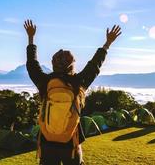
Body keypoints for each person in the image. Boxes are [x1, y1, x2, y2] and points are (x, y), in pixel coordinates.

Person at [25, 19, 121, 165]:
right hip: (71, 142)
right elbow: (94, 65)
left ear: (53, 64)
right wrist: (107, 43)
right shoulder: (78, 83)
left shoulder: (45, 83)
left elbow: (32, 65)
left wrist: (31, 38)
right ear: (72, 65)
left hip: (47, 141)